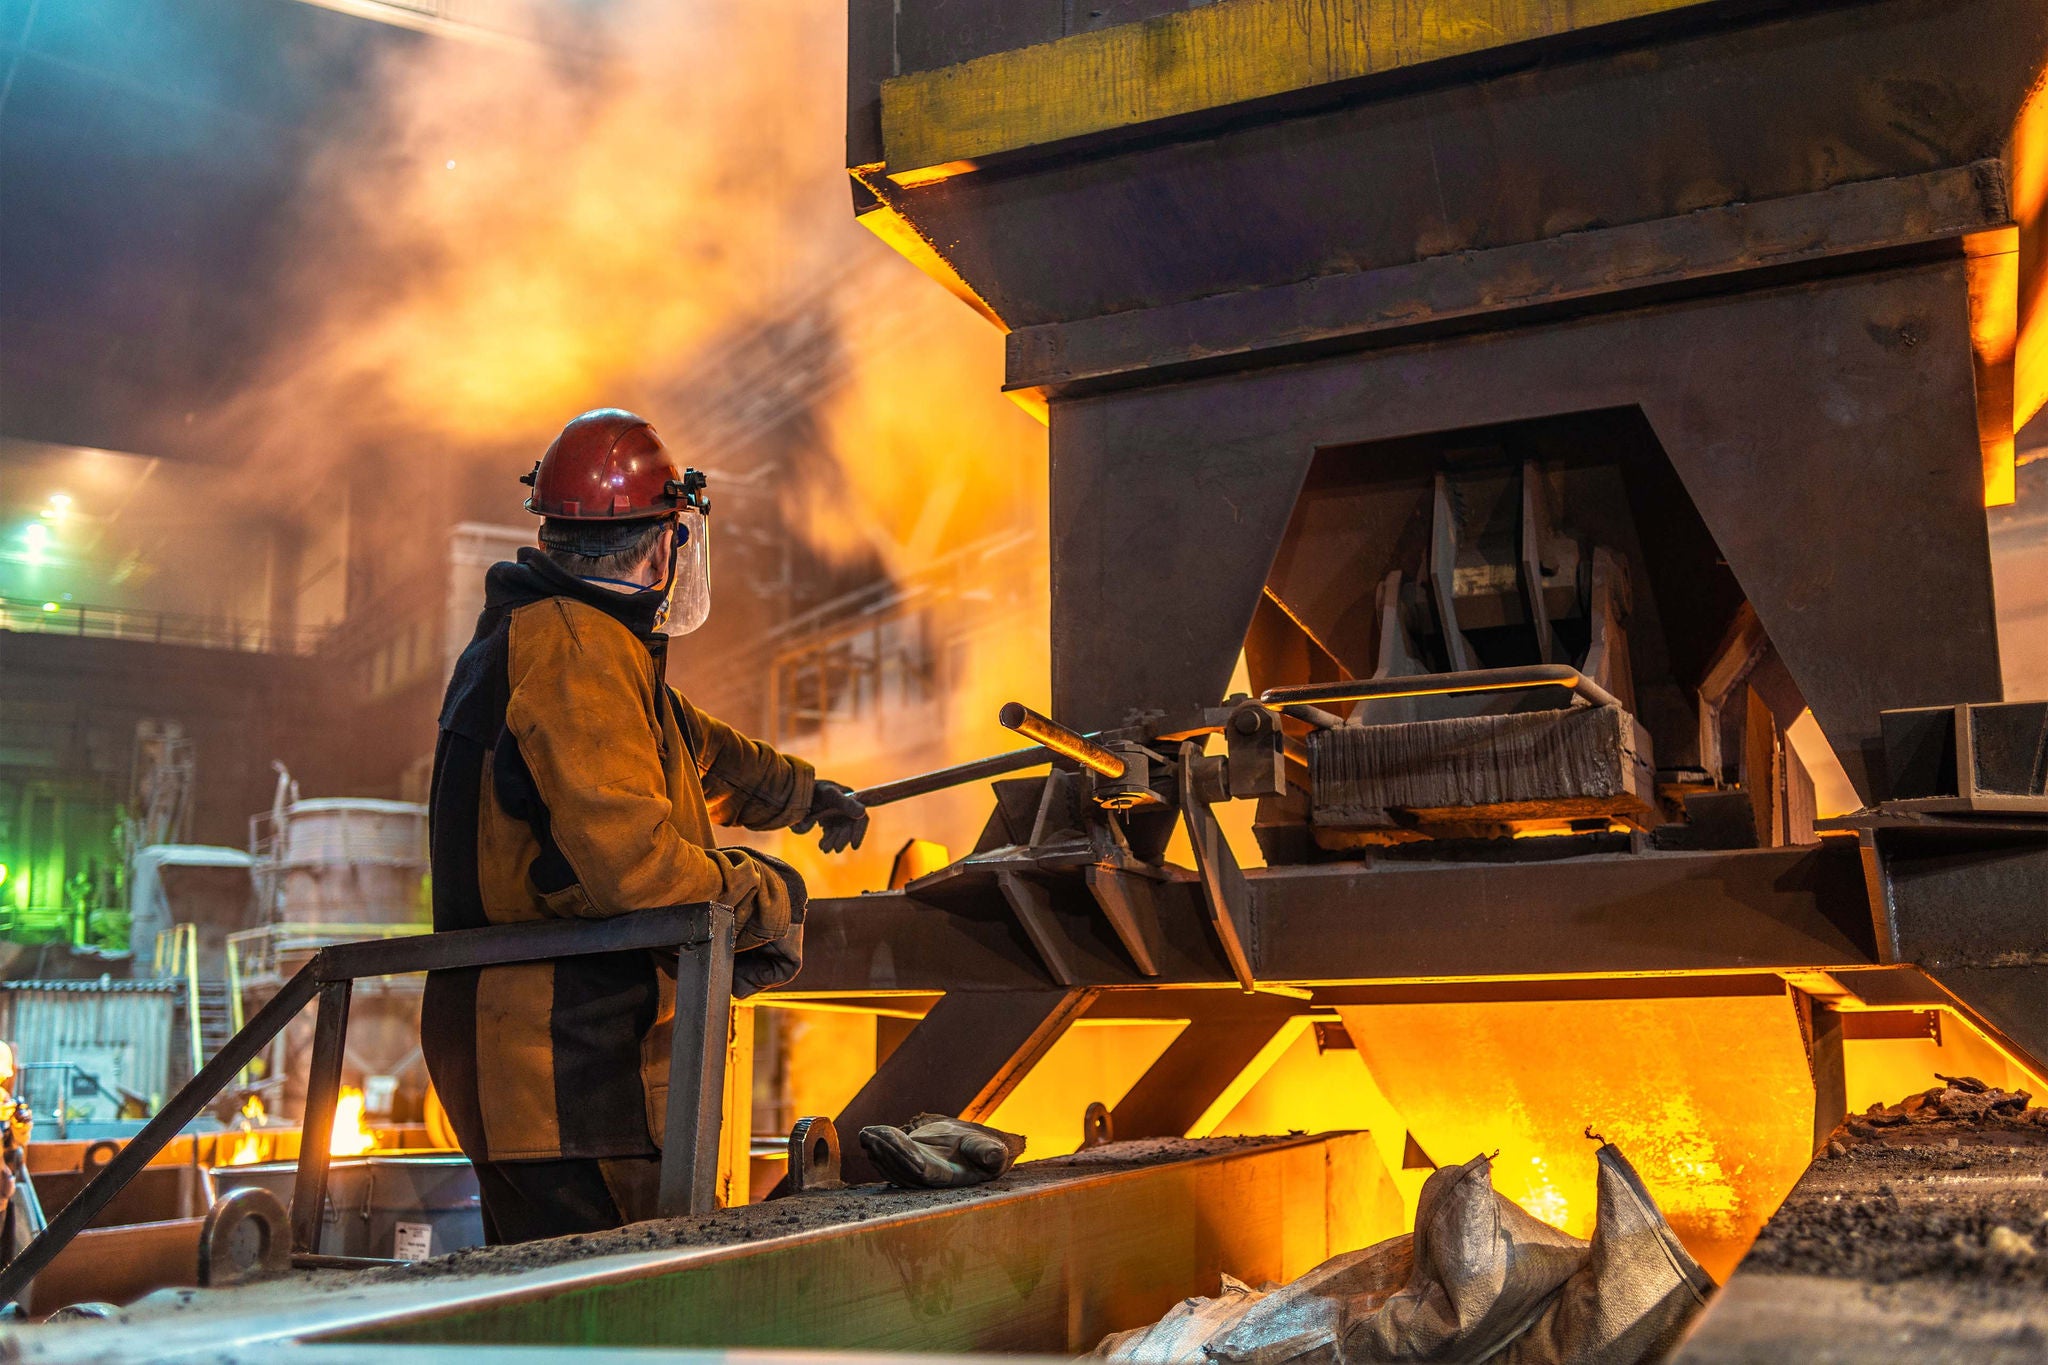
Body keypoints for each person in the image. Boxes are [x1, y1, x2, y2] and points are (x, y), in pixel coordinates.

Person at [423, 408, 869, 1245]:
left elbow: (699, 751)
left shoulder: (582, 641)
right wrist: (766, 895)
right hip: (556, 1070)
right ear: (667, 541)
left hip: (563, 1066)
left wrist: (807, 797)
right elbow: (635, 869)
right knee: (596, 1325)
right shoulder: (572, 650)